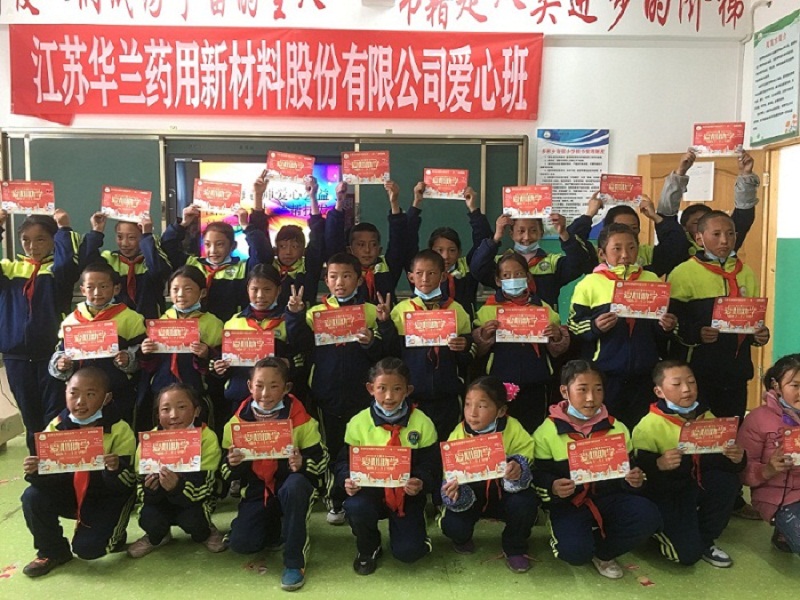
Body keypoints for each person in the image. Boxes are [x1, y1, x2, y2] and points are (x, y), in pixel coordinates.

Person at [532, 360, 661, 579]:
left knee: (648, 515)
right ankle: (578, 540)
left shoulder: (617, 427)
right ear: (564, 391)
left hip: (609, 497)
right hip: (570, 504)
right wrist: (552, 487)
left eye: (598, 389)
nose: (591, 398)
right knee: (575, 553)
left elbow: (630, 469)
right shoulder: (546, 432)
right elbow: (538, 475)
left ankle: (603, 552)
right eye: (582, 390)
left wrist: (634, 479)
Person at [284, 252, 384, 525]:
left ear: (359, 279)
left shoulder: (371, 312)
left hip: (363, 394)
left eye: (347, 276)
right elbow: (300, 344)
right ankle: (335, 499)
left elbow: (384, 355)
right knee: (330, 447)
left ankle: (367, 496)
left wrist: (371, 341)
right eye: (333, 276)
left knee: (361, 446)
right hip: (326, 394)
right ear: (326, 280)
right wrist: (294, 315)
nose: (340, 282)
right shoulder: (315, 313)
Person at [221, 358, 329, 592]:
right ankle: (274, 528)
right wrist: (233, 464)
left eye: (273, 386)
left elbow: (322, 462)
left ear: (286, 388)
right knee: (242, 544)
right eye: (259, 386)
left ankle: (294, 561)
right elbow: (224, 472)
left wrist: (302, 464)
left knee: (296, 486)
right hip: (258, 488)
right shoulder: (235, 423)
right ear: (249, 386)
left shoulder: (302, 420)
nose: (265, 393)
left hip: (290, 484)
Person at [20, 367, 136, 577]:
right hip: (70, 492)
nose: (80, 402)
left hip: (106, 497)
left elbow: (128, 484)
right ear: (65, 392)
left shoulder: (120, 429)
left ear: (106, 398)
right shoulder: (57, 426)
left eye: (90, 394)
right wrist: (36, 471)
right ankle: (52, 551)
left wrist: (115, 469)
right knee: (32, 496)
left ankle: (115, 534)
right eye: (74, 393)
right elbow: (48, 479)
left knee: (89, 550)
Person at [632, 360, 745, 567]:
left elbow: (723, 464)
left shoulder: (707, 416)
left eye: (691, 382)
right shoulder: (647, 426)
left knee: (726, 481)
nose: (686, 389)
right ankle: (655, 532)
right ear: (659, 391)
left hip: (695, 487)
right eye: (676, 384)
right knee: (686, 556)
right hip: (667, 494)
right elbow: (638, 478)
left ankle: (706, 540)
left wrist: (737, 458)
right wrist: (658, 465)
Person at [334, 358, 439, 575]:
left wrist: (421, 480)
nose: (389, 396)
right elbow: (343, 462)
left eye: (397, 389)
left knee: (409, 553)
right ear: (370, 389)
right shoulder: (358, 423)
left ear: (408, 390)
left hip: (406, 495)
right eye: (382, 388)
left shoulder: (422, 422)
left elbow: (432, 464)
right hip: (369, 491)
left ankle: (416, 535)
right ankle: (369, 546)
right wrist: (347, 479)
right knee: (355, 506)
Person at [568, 224, 677, 428]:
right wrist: (594, 326)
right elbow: (574, 325)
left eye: (631, 247)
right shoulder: (589, 284)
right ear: (602, 253)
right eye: (617, 249)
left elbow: (664, 330)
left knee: (642, 427)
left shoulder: (652, 280)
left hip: (645, 372)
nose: (625, 255)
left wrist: (667, 326)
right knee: (608, 427)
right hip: (605, 373)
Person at [0, 209, 82, 452]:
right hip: (17, 356)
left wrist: (64, 228)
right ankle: (37, 465)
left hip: (52, 354)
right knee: (30, 416)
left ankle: (57, 465)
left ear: (53, 241)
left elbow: (68, 263)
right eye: (25, 240)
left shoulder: (58, 271)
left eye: (40, 239)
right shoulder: (9, 270)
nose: (32, 246)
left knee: (54, 413)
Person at [439, 376, 539, 573]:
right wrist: (452, 490)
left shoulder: (513, 428)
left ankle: (515, 547)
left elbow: (527, 453)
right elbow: (448, 471)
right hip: (473, 495)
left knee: (525, 504)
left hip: (505, 494)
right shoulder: (459, 433)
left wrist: (518, 466)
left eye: (482, 406)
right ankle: (462, 537)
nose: (472, 413)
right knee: (453, 526)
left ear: (500, 411)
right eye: (468, 404)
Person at [377, 249, 474, 441]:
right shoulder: (401, 311)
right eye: (419, 273)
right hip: (412, 395)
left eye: (431, 273)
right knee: (415, 444)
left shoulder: (456, 310)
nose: (425, 279)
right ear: (410, 277)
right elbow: (391, 352)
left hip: (447, 395)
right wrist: (385, 323)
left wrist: (464, 346)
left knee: (447, 443)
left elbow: (468, 356)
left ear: (443, 276)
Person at [472, 251, 569, 432]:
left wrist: (556, 336)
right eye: (506, 275)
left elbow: (559, 348)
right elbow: (477, 349)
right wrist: (483, 334)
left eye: (518, 274)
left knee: (536, 429)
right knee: (503, 430)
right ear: (498, 280)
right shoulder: (488, 310)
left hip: (537, 381)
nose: (513, 279)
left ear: (528, 277)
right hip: (500, 382)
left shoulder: (542, 308)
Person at [128, 383, 225, 558]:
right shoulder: (149, 440)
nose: (173, 415)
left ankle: (206, 533)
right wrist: (150, 490)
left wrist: (178, 487)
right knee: (149, 518)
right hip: (159, 499)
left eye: (181, 407)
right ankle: (158, 536)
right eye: (165, 409)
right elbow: (139, 481)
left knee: (193, 519)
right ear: (158, 415)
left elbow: (208, 484)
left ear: (196, 411)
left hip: (194, 499)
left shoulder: (206, 436)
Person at [49, 261, 146, 426]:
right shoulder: (72, 320)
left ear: (116, 289)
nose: (97, 292)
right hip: (82, 395)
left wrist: (129, 359)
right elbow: (60, 352)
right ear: (82, 290)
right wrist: (61, 364)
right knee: (84, 433)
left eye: (103, 286)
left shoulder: (130, 318)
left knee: (119, 430)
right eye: (90, 287)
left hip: (118, 392)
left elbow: (143, 353)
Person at [139, 266, 223, 432]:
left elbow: (220, 366)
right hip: (162, 390)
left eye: (188, 289)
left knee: (198, 435)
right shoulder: (161, 322)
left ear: (202, 293)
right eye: (175, 289)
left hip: (196, 392)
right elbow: (150, 365)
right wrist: (146, 352)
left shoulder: (213, 324)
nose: (181, 294)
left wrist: (206, 354)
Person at [213, 264, 300, 418]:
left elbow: (300, 353)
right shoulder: (234, 322)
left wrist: (289, 363)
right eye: (255, 289)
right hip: (240, 395)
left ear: (278, 290)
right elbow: (223, 361)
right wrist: (220, 368)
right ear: (247, 289)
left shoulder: (288, 320)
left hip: (276, 400)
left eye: (267, 289)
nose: (260, 295)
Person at [161, 203, 273, 322]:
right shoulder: (192, 265)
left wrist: (246, 226)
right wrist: (183, 224)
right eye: (207, 244)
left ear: (233, 246)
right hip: (199, 328)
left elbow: (263, 254)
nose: (213, 250)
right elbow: (167, 248)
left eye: (220, 244)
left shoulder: (242, 267)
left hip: (232, 328)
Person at [737, 354, 800, 554]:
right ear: (776, 386)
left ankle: (785, 535)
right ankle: (784, 527)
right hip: (778, 496)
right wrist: (768, 469)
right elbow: (741, 470)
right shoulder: (758, 419)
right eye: (795, 385)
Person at [470, 210, 593, 311]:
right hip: (507, 326)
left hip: (546, 327)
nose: (527, 237)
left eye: (533, 231)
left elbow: (579, 264)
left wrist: (564, 234)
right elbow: (477, 268)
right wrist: (496, 238)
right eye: (521, 231)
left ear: (541, 233)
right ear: (511, 234)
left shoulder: (553, 262)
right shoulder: (501, 263)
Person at [657, 150, 759, 269]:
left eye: (708, 223)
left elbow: (743, 214)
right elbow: (666, 215)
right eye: (696, 223)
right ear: (684, 227)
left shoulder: (724, 244)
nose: (703, 226)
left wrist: (746, 174)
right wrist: (680, 172)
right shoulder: (677, 244)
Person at [405, 182, 492, 317]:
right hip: (426, 326)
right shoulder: (421, 271)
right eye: (439, 250)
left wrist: (473, 208)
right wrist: (416, 202)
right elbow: (408, 240)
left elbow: (483, 240)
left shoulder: (469, 267)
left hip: (463, 327)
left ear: (459, 252)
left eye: (452, 250)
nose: (445, 256)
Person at [325, 181, 409, 304]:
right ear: (350, 250)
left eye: (373, 244)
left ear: (379, 250)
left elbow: (398, 240)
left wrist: (394, 202)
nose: (367, 250)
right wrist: (339, 202)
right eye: (361, 245)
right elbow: (333, 238)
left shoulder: (386, 267)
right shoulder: (344, 268)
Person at [79, 211, 172, 319]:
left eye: (132, 238)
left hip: (149, 324)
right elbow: (86, 263)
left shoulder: (151, 260)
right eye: (119, 237)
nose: (125, 243)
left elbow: (159, 271)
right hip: (116, 323)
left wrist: (147, 235)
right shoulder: (110, 259)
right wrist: (96, 231)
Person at [253, 171, 327, 308]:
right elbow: (259, 235)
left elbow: (317, 235)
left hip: (302, 319)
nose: (288, 252)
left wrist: (313, 197)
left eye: (295, 246)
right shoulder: (267, 266)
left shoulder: (309, 268)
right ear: (276, 248)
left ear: (303, 249)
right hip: (271, 318)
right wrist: (258, 195)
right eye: (283, 246)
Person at [567, 195, 688, 277]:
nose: (627, 233)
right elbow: (571, 240)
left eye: (633, 228)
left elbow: (678, 245)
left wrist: (655, 217)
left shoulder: (649, 255)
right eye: (620, 228)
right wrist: (589, 214)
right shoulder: (596, 256)